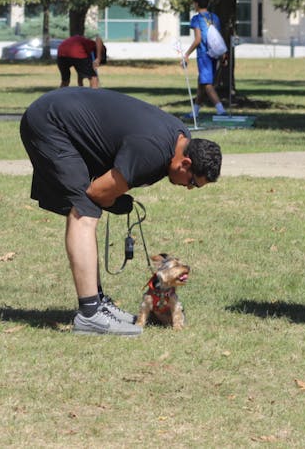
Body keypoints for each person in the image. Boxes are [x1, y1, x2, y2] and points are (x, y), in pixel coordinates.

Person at [20, 87, 222, 336]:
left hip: (64, 115)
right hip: (51, 122)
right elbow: (97, 192)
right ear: (186, 163)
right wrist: (116, 203)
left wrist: (114, 199)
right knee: (85, 211)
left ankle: (98, 302)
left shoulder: (181, 140)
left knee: (88, 206)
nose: (188, 188)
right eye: (192, 182)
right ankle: (90, 314)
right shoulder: (153, 150)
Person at [183, 0, 227, 117]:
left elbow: (198, 39)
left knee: (207, 84)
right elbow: (218, 37)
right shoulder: (215, 17)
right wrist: (223, 54)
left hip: (204, 55)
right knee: (201, 82)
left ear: (196, 4)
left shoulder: (196, 19)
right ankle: (195, 112)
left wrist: (186, 54)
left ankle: (221, 110)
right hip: (214, 54)